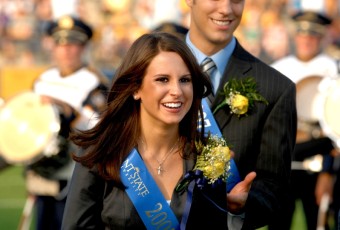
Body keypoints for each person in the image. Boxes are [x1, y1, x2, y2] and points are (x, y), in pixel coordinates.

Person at [61, 31, 241, 229]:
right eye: (163, 79)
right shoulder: (99, 154)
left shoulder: (208, 157)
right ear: (136, 89)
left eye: (185, 80)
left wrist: (237, 209)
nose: (177, 91)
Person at [184, 0, 297, 229]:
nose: (226, 9)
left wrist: (242, 207)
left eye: (236, 0)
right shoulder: (145, 71)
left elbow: (275, 188)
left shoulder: (275, 88)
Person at [24, 15, 109, 230]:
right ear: (52, 46)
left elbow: (97, 130)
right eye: (60, 44)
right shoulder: (43, 79)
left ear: (83, 47)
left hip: (75, 174)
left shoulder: (96, 82)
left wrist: (64, 112)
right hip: (42, 173)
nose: (66, 50)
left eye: (74, 44)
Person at [270, 10, 338, 230]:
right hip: (285, 160)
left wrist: (330, 172)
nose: (307, 40)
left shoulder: (333, 69)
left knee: (318, 223)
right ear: (295, 36)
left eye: (313, 35)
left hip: (320, 159)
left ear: (321, 37)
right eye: (302, 34)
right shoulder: (278, 69)